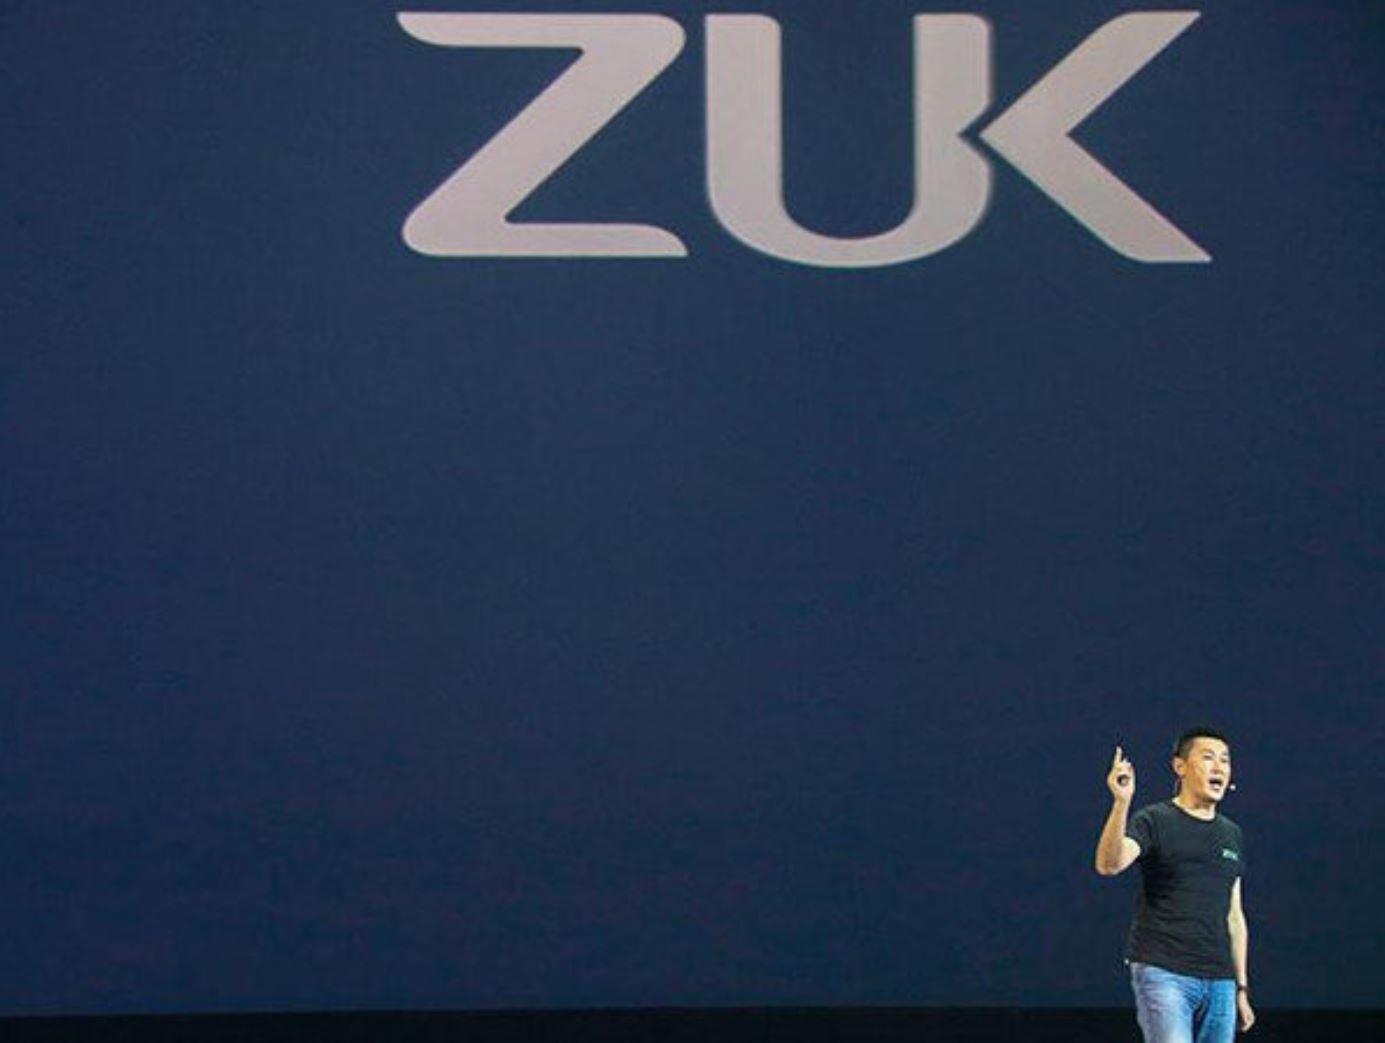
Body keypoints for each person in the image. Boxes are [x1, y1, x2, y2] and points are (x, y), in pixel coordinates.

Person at [1094, 726, 1256, 1042]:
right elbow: (1109, 864)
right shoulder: (1154, 819)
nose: (1219, 767)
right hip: (1163, 971)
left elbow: (1234, 916)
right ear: (1180, 766)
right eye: (1208, 758)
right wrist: (1121, 803)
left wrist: (1241, 988)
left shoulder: (1231, 834)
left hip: (1220, 980)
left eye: (1225, 760)